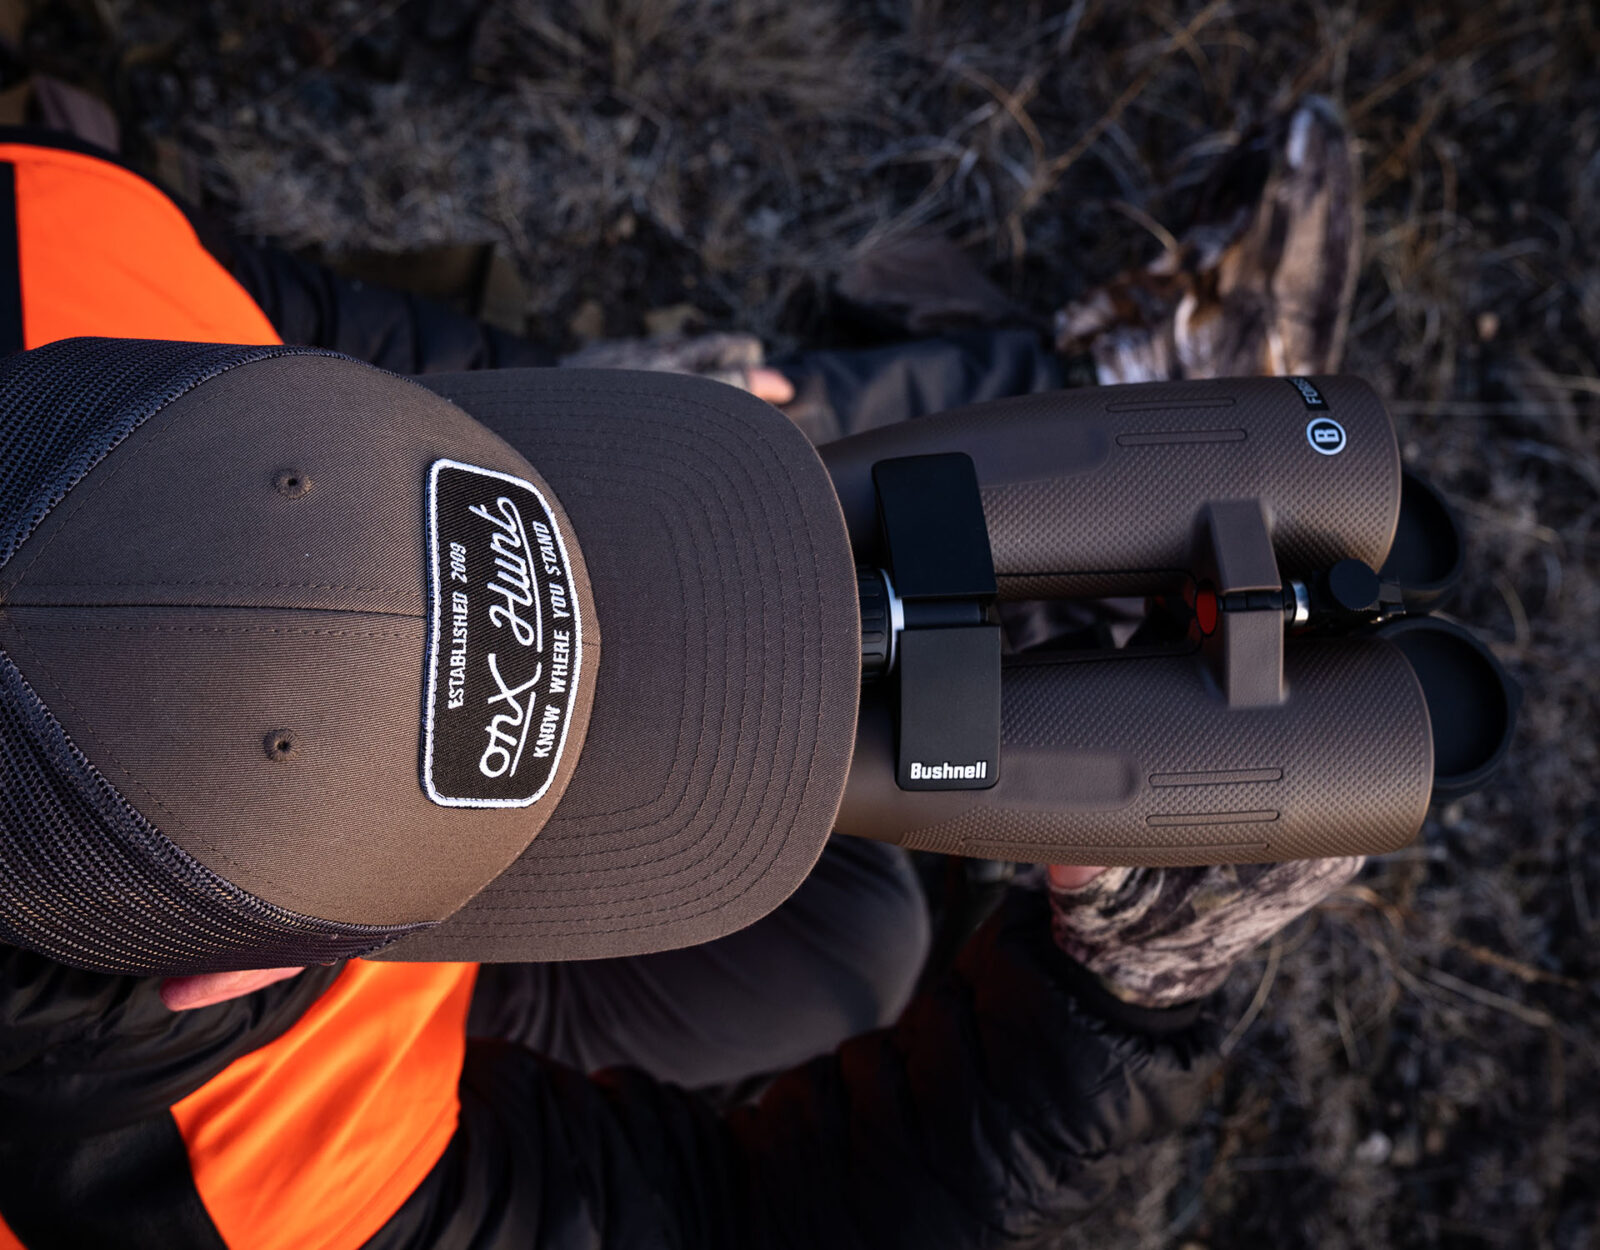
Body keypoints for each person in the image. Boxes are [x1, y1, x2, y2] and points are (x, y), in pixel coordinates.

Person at [0, 97, 1366, 1250]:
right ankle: (1056, 419)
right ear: (227, 977)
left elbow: (357, 354)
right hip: (278, 1011)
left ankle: (1072, 401)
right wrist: (1115, 1006)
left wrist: (573, 432)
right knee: (842, 929)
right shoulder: (232, 1183)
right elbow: (736, 1221)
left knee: (843, 920)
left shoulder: (63, 230)